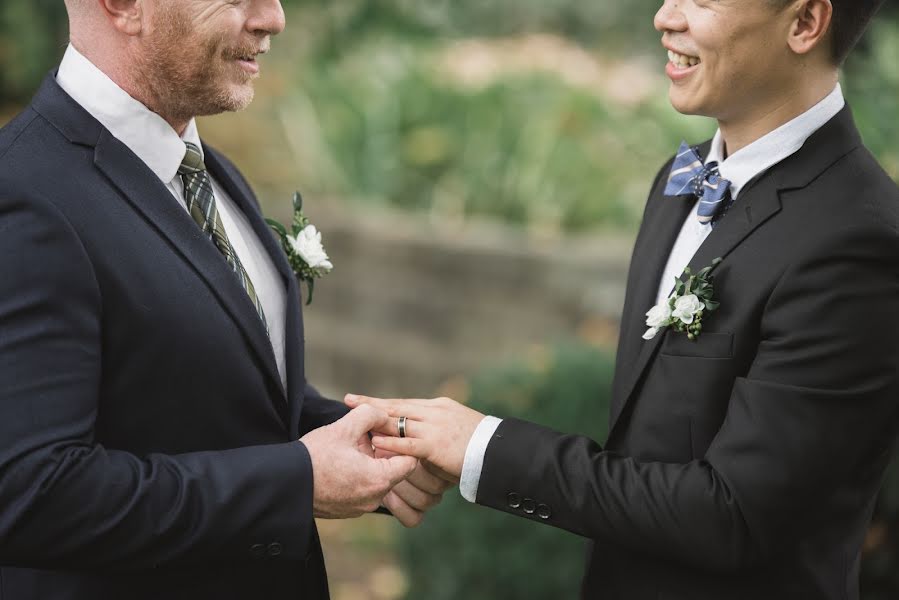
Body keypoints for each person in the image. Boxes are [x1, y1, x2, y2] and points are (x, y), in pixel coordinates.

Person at [347, 0, 899, 597]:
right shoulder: (677, 183)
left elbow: (733, 515)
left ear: (805, 23)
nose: (665, 17)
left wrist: (485, 447)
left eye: (701, 0)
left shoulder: (857, 240)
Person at [0, 1, 448, 598]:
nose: (275, 18)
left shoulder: (212, 174)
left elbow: (221, 400)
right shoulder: (24, 196)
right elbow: (31, 494)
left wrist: (374, 438)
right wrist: (298, 482)